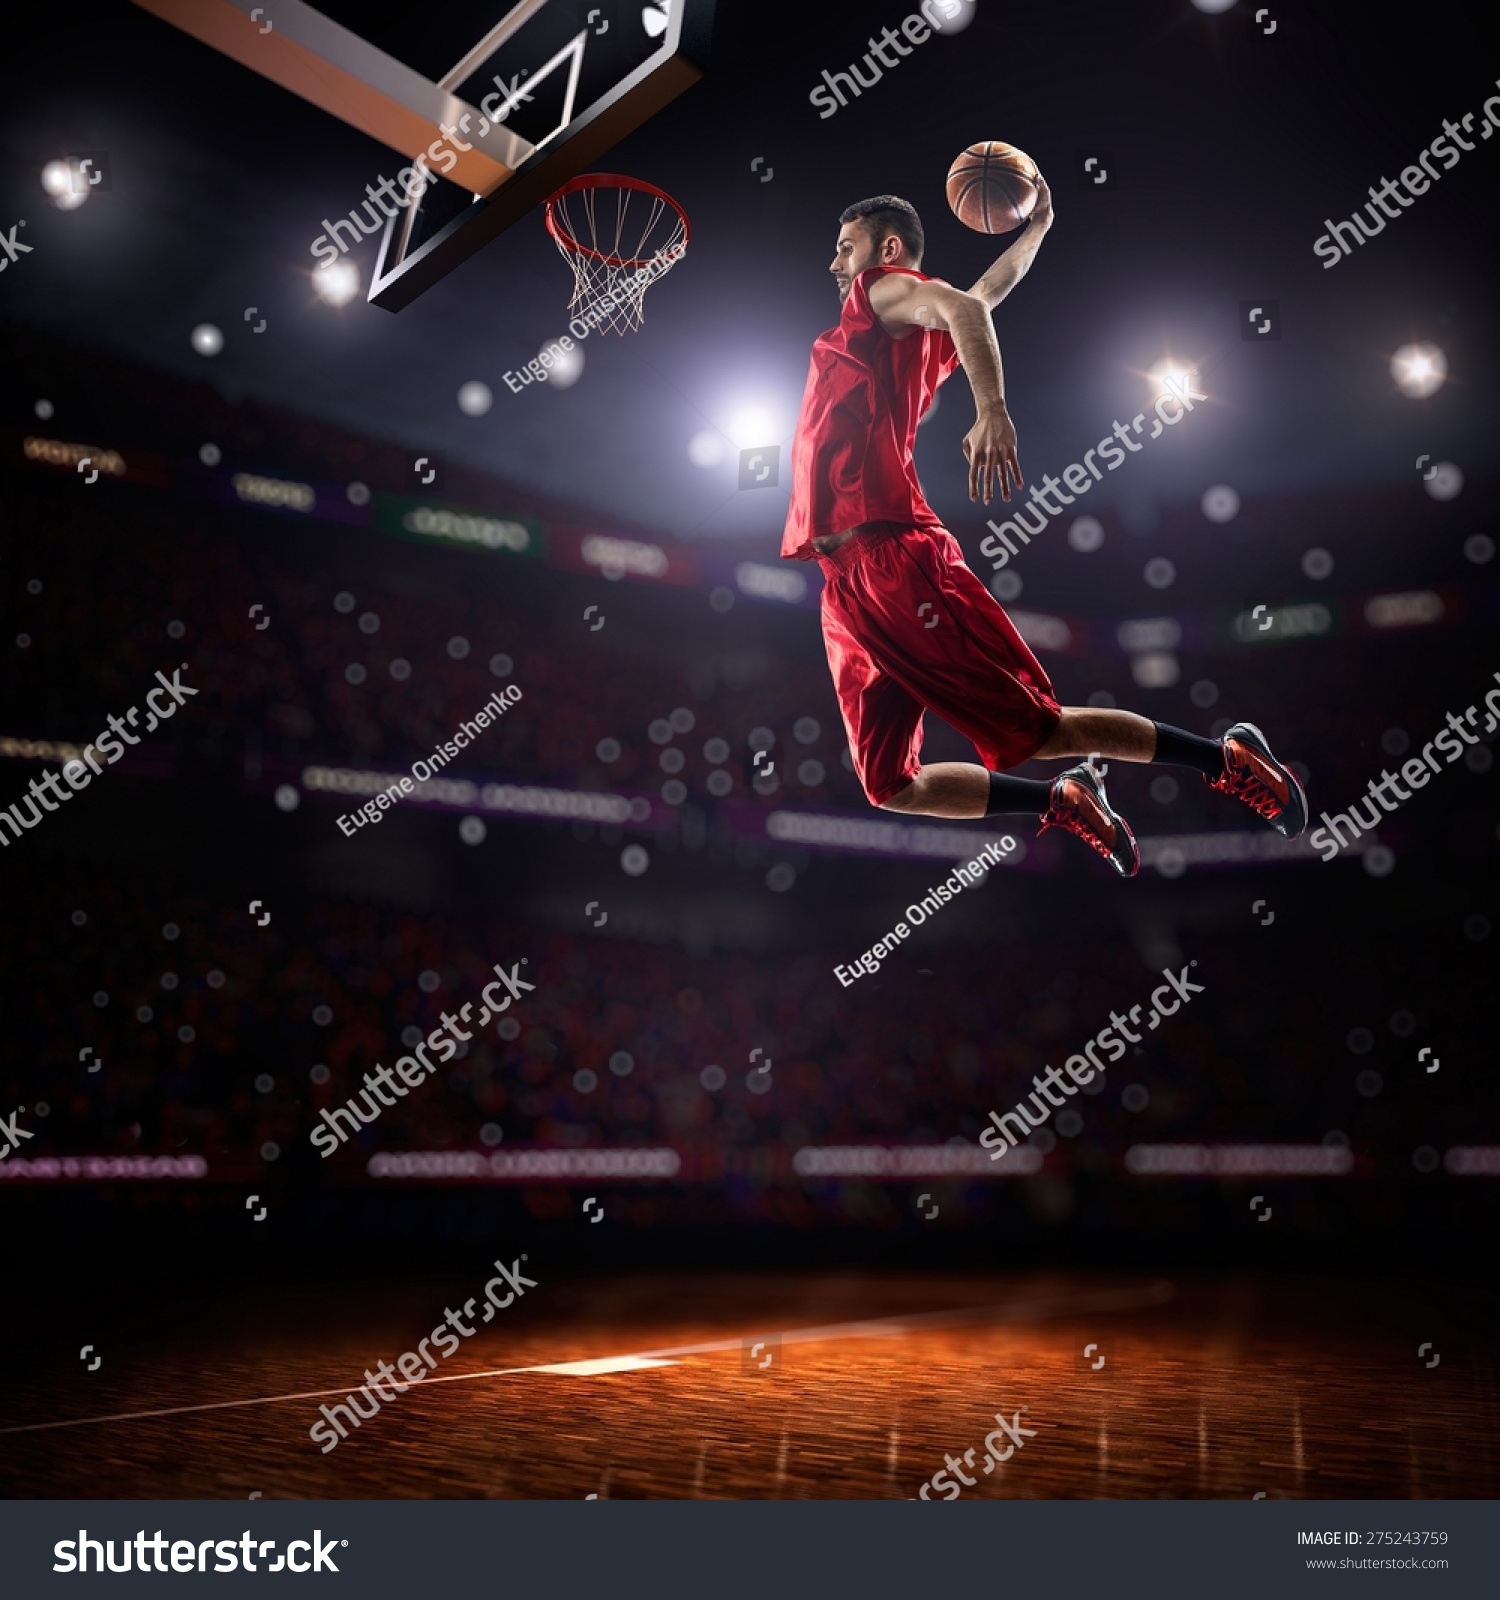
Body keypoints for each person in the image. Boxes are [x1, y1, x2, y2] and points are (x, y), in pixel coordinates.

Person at [780, 182, 1305, 876]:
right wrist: (1039, 228)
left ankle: (1228, 759)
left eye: (844, 247)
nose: (835, 263)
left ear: (888, 249)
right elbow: (986, 293)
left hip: (892, 559)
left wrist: (991, 406)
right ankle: (1065, 799)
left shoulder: (880, 291)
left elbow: (967, 304)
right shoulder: (897, 331)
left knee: (1040, 728)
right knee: (890, 785)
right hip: (843, 583)